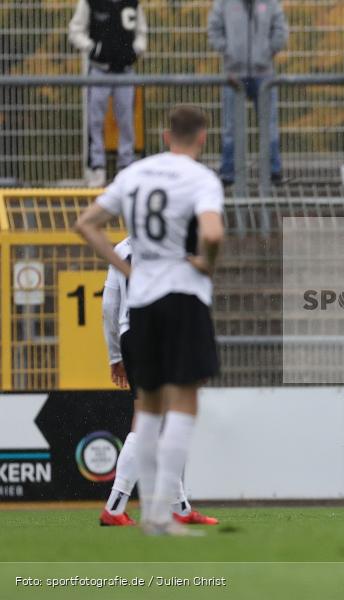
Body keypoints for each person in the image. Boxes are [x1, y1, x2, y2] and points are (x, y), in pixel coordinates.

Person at [76, 105, 224, 535]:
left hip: (138, 313)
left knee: (150, 414)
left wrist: (128, 276)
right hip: (182, 300)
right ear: (201, 138)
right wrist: (204, 263)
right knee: (181, 406)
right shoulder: (200, 179)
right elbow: (212, 234)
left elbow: (85, 225)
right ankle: (154, 511)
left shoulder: (134, 179)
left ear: (163, 136)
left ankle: (167, 508)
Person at [98, 237, 218, 528]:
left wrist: (115, 354)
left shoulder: (123, 248)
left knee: (158, 421)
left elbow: (109, 304)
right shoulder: (174, 242)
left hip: (131, 334)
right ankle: (115, 506)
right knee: (150, 421)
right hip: (160, 334)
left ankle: (180, 507)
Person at [208, 0, 288, 187]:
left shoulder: (270, 3)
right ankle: (228, 173)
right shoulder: (224, 3)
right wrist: (227, 50)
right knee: (231, 126)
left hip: (264, 74)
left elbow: (280, 30)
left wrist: (268, 51)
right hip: (233, 74)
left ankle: (273, 172)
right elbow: (214, 28)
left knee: (269, 125)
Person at [68, 0, 148, 188]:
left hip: (125, 72)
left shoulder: (132, 3)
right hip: (99, 71)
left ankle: (126, 166)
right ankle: (97, 167)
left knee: (126, 120)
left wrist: (136, 50)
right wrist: (92, 47)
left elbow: (142, 33)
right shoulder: (91, 3)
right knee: (95, 120)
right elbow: (75, 31)